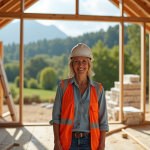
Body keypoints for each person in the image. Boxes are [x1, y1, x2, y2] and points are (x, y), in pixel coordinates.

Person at [49, 43, 109, 150]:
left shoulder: (98, 89)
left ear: (89, 64)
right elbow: (56, 118)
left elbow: (103, 121)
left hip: (90, 142)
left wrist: (102, 145)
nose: (80, 65)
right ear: (72, 64)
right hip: (67, 142)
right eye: (76, 61)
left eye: (84, 61)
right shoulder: (63, 87)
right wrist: (56, 142)